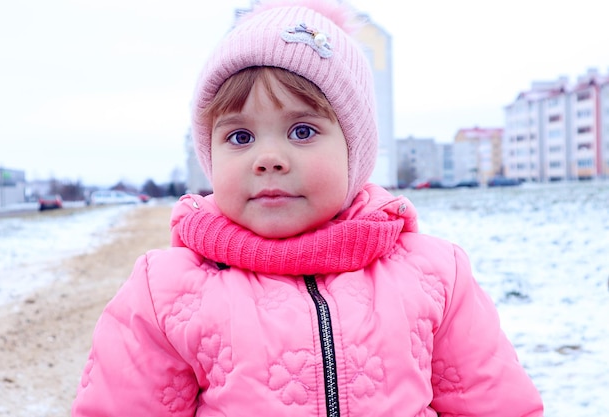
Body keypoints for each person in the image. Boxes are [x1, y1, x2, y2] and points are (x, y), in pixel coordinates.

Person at [72, 0, 544, 415]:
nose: (269, 158)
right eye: (240, 136)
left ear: (353, 150)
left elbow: (496, 404)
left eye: (302, 131)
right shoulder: (167, 292)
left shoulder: (434, 275)